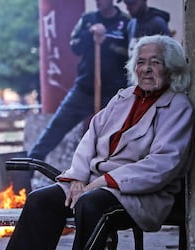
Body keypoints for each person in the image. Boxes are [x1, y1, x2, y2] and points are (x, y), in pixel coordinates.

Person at [0, 35, 193, 250]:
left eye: (156, 62)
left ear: (172, 68)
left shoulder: (178, 107)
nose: (147, 69)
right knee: (40, 200)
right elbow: (90, 138)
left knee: (92, 204)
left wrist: (102, 182)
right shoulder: (123, 98)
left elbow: (163, 165)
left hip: (140, 193)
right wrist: (78, 178)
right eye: (141, 62)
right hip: (95, 181)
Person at [27, 0, 130, 161]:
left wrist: (107, 42)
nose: (97, 2)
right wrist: (90, 34)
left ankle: (109, 173)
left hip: (113, 94)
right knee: (57, 126)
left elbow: (130, 53)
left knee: (115, 136)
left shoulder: (126, 22)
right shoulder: (88, 19)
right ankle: (31, 163)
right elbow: (75, 46)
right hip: (84, 89)